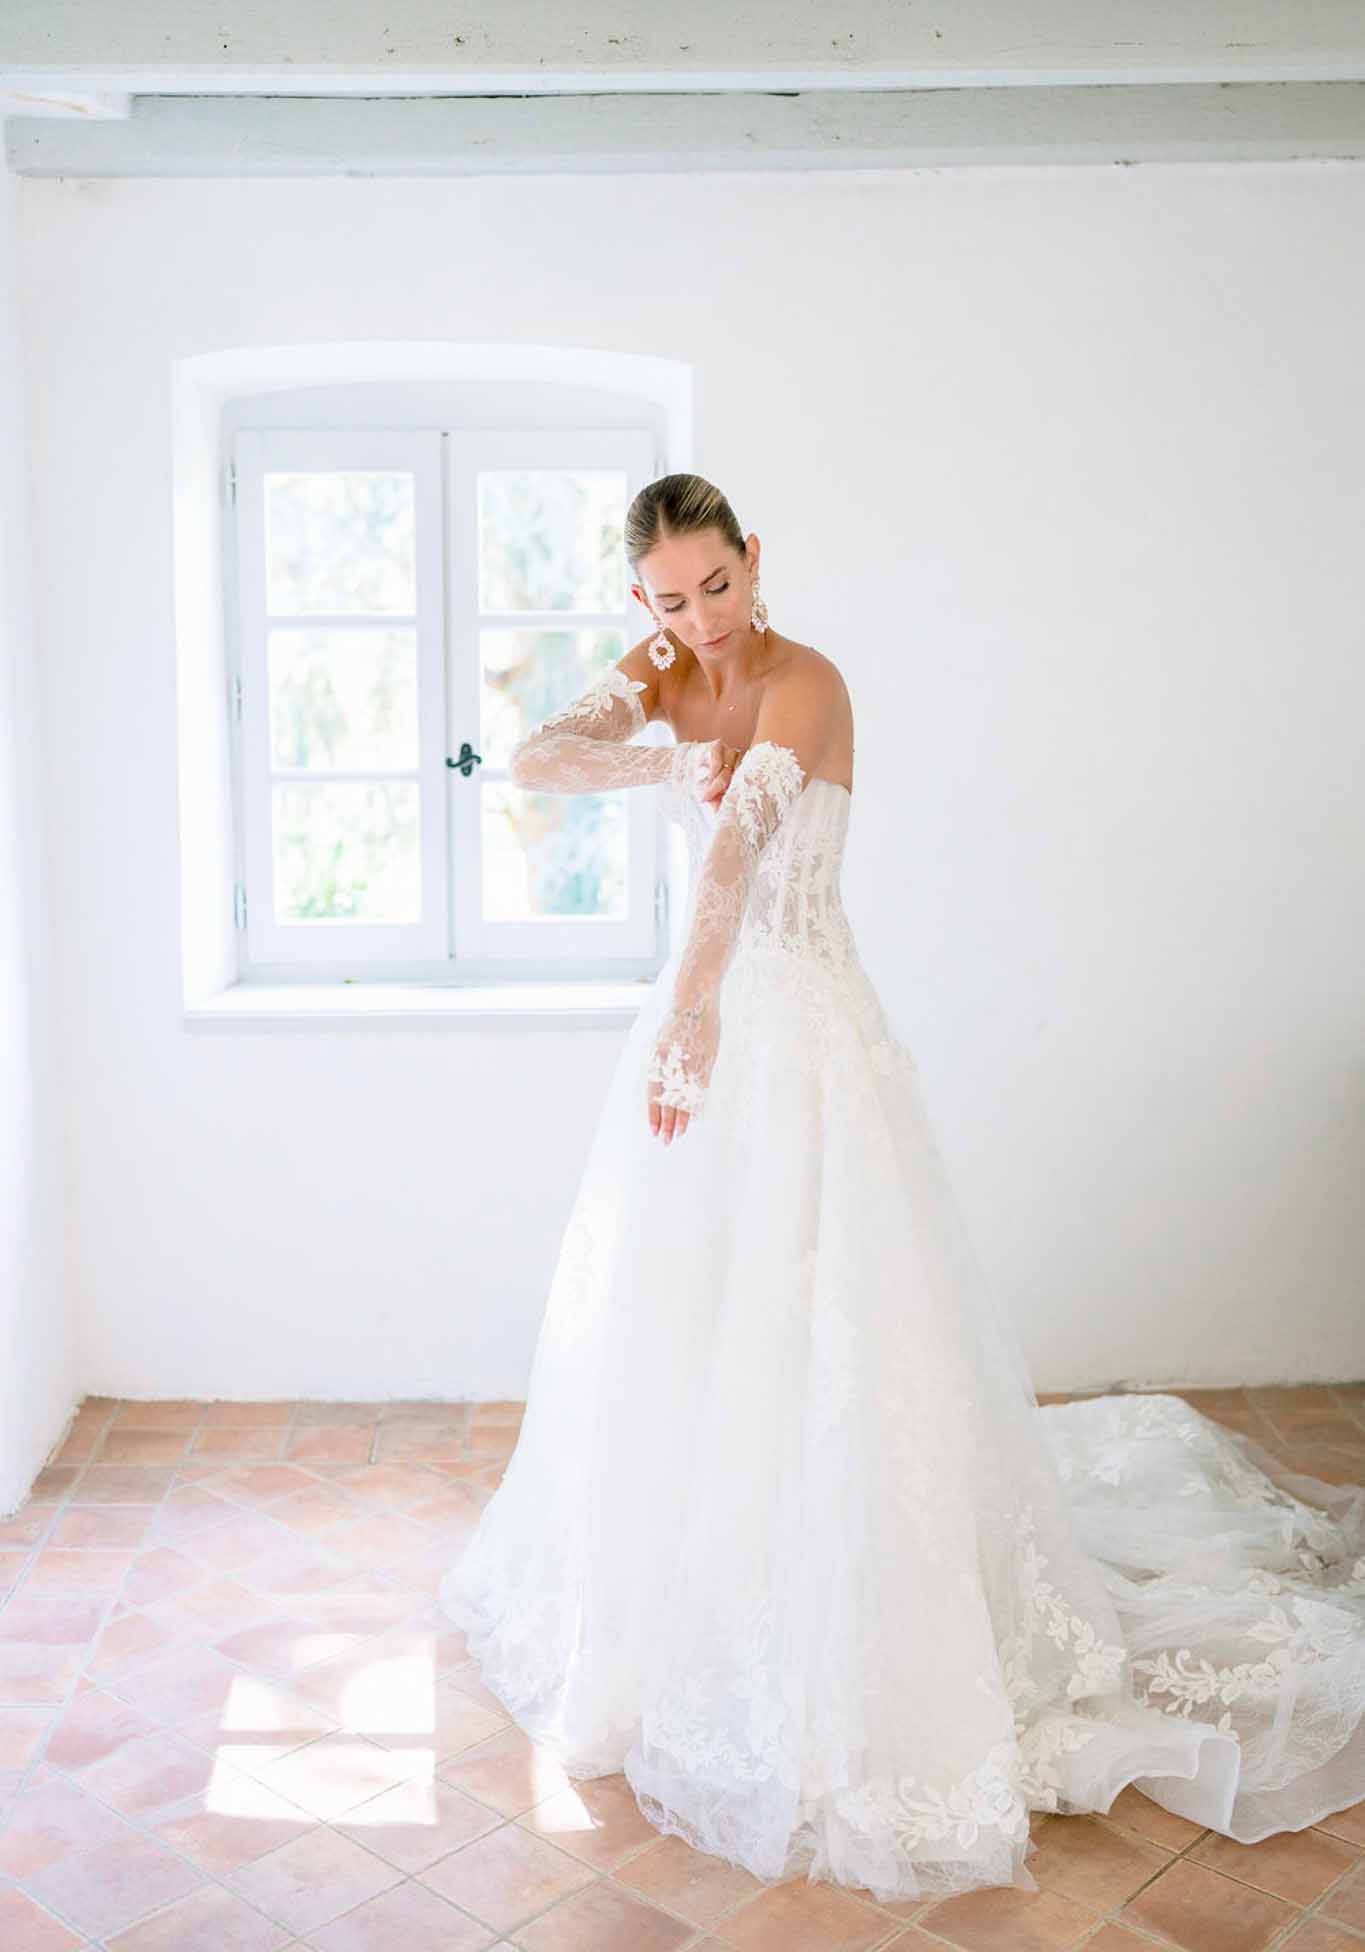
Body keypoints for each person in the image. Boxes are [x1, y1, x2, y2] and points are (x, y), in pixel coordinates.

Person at [440, 473, 1365, 1903]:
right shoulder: (660, 669)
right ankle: (695, 1603)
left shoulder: (809, 685)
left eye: (718, 586)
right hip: (702, 1023)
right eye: (670, 600)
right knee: (680, 1316)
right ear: (644, 600)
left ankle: (861, 1616)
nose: (699, 616)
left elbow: (742, 861)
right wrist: (649, 756)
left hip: (790, 1021)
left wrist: (694, 1013)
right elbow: (534, 760)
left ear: (756, 559)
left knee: (829, 1323)